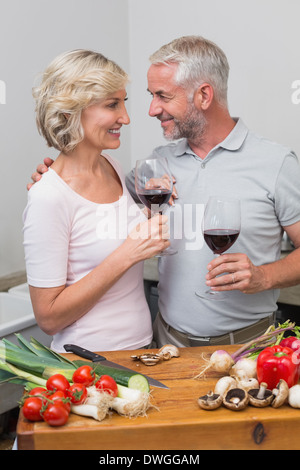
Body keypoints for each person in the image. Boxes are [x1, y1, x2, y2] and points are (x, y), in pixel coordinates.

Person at [29, 36, 300, 349]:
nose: (150, 109)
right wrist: (48, 180)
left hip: (248, 347)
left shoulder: (276, 163)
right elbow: (88, 201)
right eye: (149, 95)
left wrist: (264, 277)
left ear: (203, 95)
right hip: (166, 347)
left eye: (162, 96)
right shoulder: (157, 163)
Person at [23, 49, 170, 353]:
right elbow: (48, 318)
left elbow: (102, 233)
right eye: (112, 105)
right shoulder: (48, 196)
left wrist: (151, 211)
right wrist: (129, 253)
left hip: (141, 349)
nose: (125, 118)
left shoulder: (111, 166)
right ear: (69, 112)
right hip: (88, 365)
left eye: (124, 103)